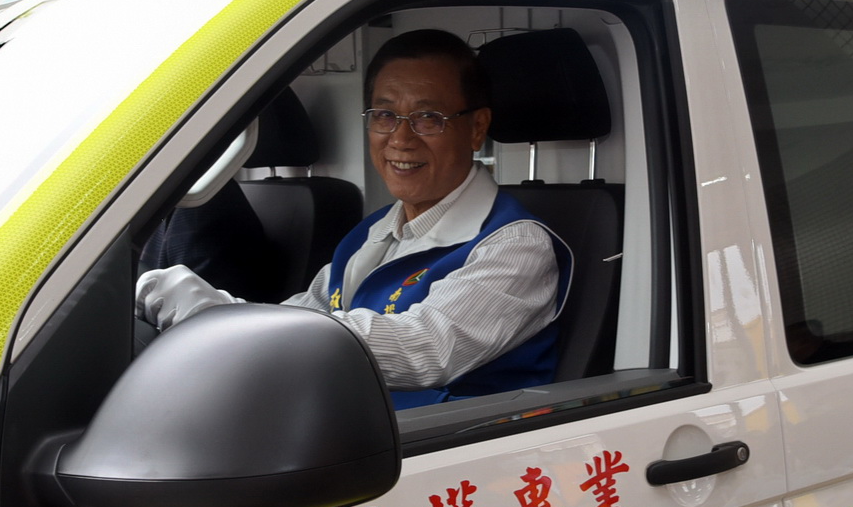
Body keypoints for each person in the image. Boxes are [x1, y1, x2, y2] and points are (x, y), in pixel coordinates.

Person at [136, 29, 568, 408]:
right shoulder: (372, 232)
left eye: (427, 118)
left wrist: (224, 322)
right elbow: (300, 315)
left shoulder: (515, 245)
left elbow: (426, 348)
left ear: (476, 128)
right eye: (385, 115)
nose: (400, 138)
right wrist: (222, 315)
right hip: (352, 435)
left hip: (448, 450)